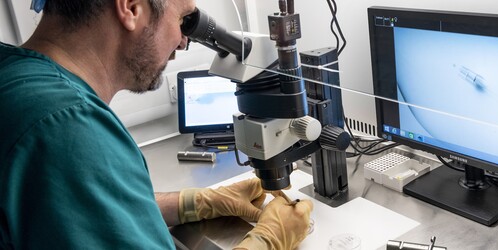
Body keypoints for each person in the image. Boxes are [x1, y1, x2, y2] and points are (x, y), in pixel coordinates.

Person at [0, 0, 313, 249]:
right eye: (183, 20)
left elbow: (88, 214)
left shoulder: (15, 76)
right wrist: (268, 241)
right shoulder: (67, 128)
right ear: (131, 8)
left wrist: (197, 202)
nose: (182, 43)